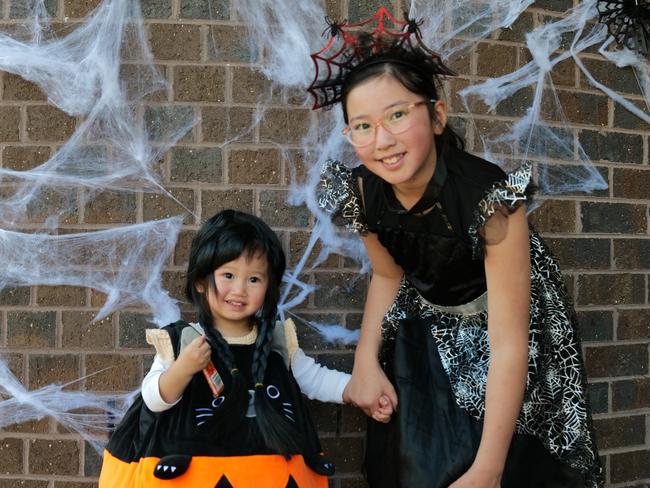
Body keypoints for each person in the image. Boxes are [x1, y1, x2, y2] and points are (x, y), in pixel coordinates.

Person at [310, 7, 602, 488]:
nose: (381, 140)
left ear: (437, 115)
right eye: (361, 126)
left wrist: (488, 471)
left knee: (508, 459)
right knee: (419, 459)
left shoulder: (488, 200)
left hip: (506, 324)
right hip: (428, 311)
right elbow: (388, 275)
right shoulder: (363, 192)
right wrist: (364, 363)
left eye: (398, 115)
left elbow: (510, 346)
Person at [99, 209, 392, 488]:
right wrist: (183, 369)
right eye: (228, 276)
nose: (239, 289)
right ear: (201, 281)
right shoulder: (184, 342)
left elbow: (314, 379)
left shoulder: (275, 342)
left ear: (268, 288)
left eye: (254, 279)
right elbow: (153, 399)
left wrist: (356, 390)